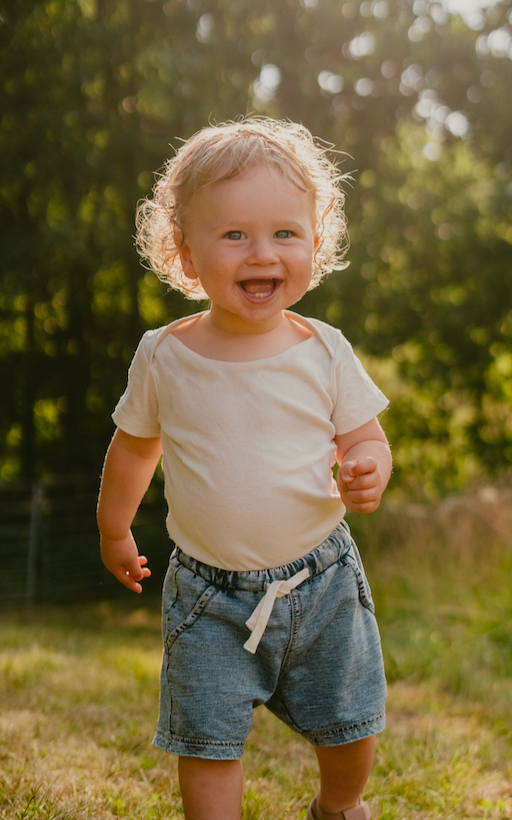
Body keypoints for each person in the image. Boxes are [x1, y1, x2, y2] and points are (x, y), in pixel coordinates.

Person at [97, 117, 392, 820]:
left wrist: (366, 469)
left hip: (321, 583)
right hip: (206, 596)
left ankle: (338, 807)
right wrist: (115, 529)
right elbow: (136, 446)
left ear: (314, 246)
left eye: (284, 233)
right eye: (234, 235)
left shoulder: (323, 350)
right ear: (187, 254)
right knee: (206, 745)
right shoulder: (164, 356)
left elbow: (367, 438)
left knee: (352, 726)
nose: (262, 252)